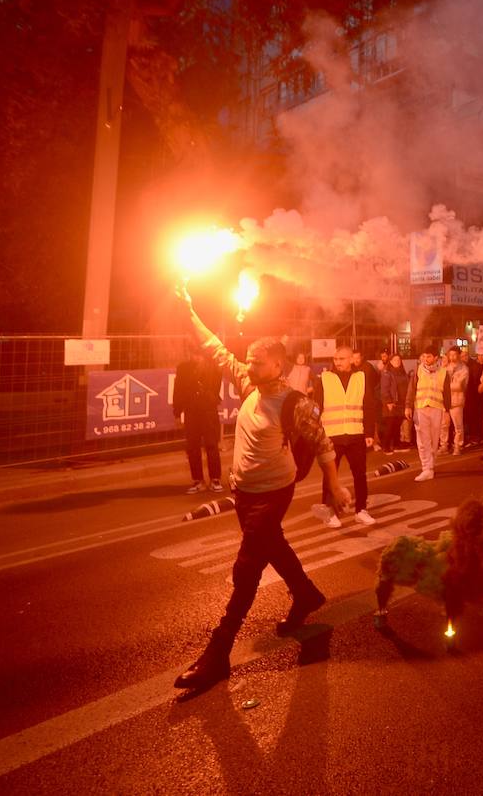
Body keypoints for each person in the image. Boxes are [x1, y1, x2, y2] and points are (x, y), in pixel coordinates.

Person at [172, 285, 349, 694]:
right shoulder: (248, 384)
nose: (247, 366)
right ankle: (305, 594)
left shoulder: (294, 403)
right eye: (248, 361)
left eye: (256, 362)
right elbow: (215, 347)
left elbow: (323, 444)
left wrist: (336, 488)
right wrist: (189, 310)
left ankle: (218, 653)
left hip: (274, 492)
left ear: (277, 366)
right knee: (274, 547)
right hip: (245, 493)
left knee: (247, 567)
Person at [314, 345, 378, 528]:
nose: (338, 362)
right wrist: (317, 433)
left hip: (355, 434)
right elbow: (317, 407)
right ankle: (330, 512)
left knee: (360, 474)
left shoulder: (361, 377)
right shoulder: (325, 379)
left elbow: (369, 406)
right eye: (335, 359)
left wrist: (369, 432)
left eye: (342, 359)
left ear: (351, 359)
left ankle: (361, 510)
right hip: (332, 436)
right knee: (329, 476)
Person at [172, 346, 223, 494]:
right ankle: (198, 480)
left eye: (198, 354)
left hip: (208, 411)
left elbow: (215, 388)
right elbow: (178, 390)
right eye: (193, 354)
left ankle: (215, 479)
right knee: (193, 447)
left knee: (211, 445)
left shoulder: (213, 368)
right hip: (191, 412)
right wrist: (177, 412)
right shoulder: (183, 369)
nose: (195, 357)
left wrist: (208, 396)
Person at [406, 345, 445, 481]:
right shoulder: (418, 370)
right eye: (424, 356)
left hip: (437, 408)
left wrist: (448, 409)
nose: (426, 358)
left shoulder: (444, 372)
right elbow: (411, 389)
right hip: (420, 408)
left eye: (429, 356)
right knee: (423, 440)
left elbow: (447, 393)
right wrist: (408, 406)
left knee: (434, 440)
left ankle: (431, 466)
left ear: (436, 358)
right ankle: (426, 468)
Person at [442, 346, 469, 456]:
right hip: (445, 400)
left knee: (458, 426)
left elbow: (460, 386)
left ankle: (458, 445)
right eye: (450, 355)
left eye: (454, 355)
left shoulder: (464, 369)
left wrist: (447, 385)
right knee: (443, 425)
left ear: (458, 355)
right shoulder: (445, 367)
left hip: (457, 400)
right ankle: (443, 445)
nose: (452, 357)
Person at [379, 353, 407, 453]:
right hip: (391, 403)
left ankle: (396, 445)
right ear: (390, 362)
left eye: (399, 360)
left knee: (397, 425)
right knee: (390, 425)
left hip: (400, 403)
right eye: (395, 360)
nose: (397, 362)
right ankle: (385, 446)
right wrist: (388, 402)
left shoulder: (402, 372)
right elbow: (384, 389)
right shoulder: (387, 373)